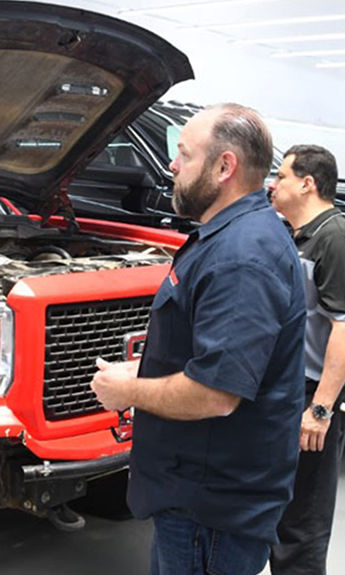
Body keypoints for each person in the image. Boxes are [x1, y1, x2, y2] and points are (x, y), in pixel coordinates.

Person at [89, 104, 306, 575]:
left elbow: (216, 393)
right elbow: (207, 351)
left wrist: (128, 391)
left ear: (224, 167)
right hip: (199, 495)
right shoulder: (231, 236)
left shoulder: (241, 257)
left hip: (209, 509)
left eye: (183, 155)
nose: (171, 166)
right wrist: (144, 369)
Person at [268, 145, 345, 575]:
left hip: (312, 395)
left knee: (303, 523)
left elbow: (344, 329)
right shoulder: (294, 234)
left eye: (280, 176)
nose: (273, 185)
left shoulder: (334, 237)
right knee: (280, 508)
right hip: (284, 389)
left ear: (307, 183)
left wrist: (320, 409)